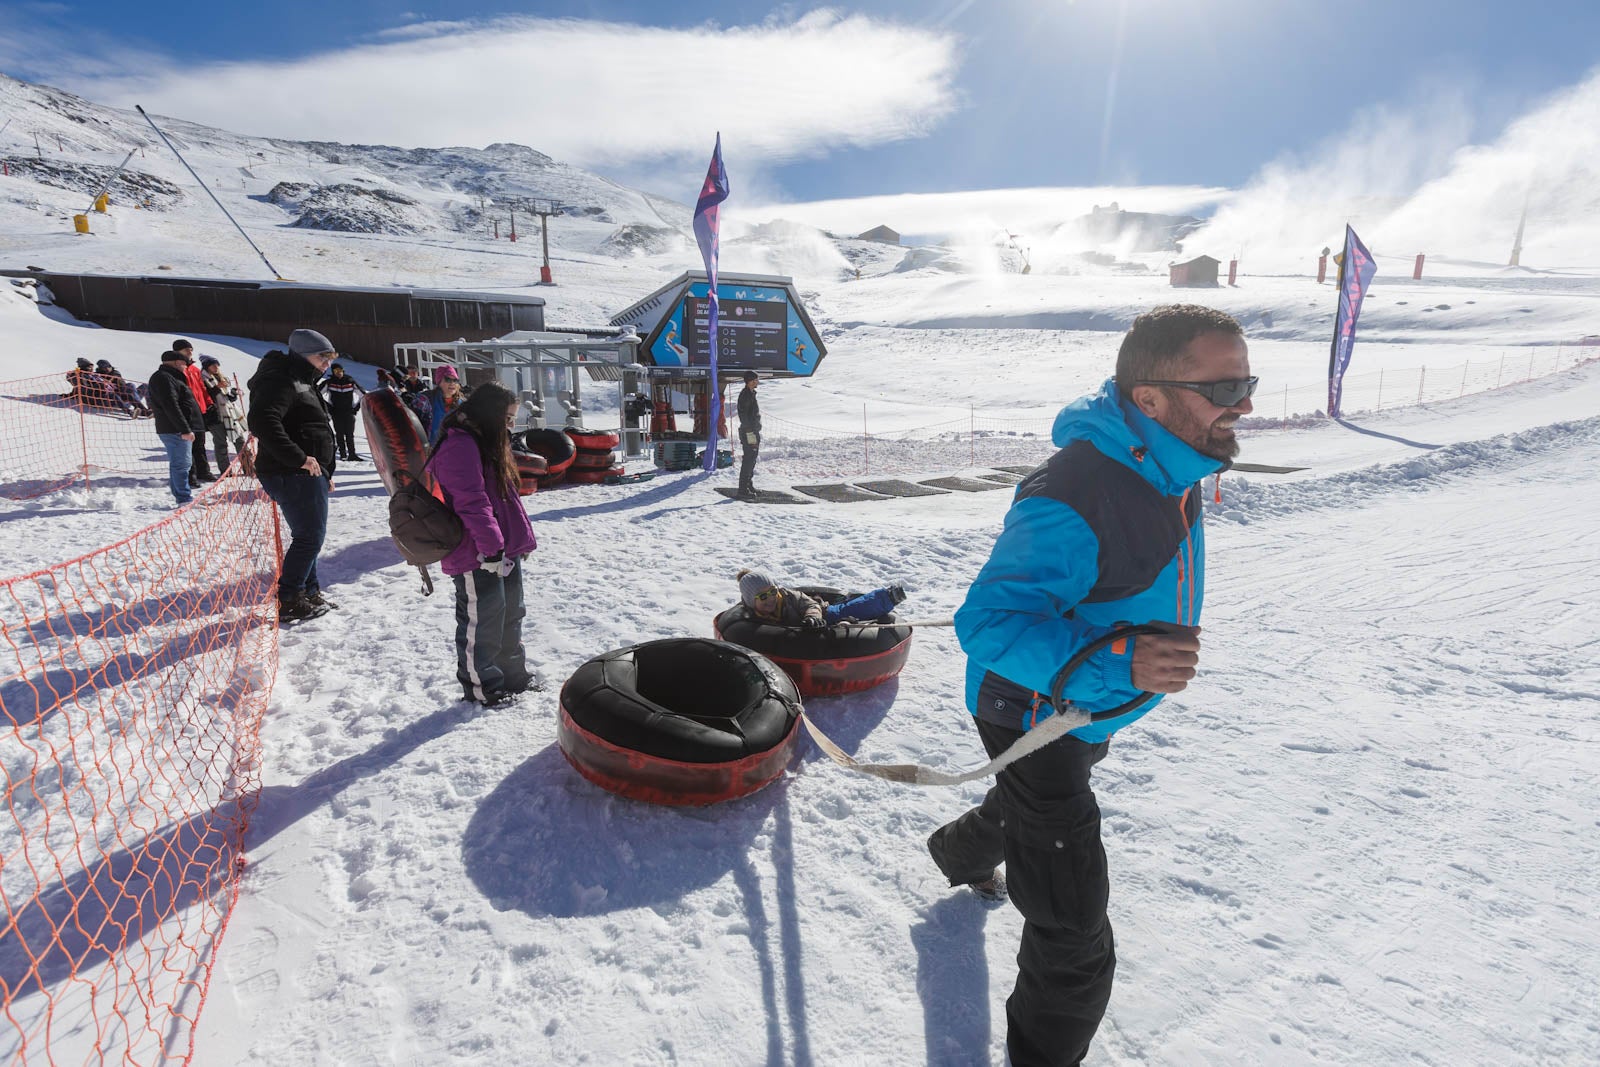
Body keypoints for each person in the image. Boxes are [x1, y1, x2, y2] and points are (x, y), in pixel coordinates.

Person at [926, 305, 1255, 1067]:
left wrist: (1118, 675)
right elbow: (988, 622)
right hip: (1031, 710)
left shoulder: (1174, 459)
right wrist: (1121, 667)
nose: (1243, 403)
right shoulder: (1077, 490)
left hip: (1081, 711)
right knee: (1073, 931)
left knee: (1027, 801)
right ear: (1149, 397)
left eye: (1248, 380)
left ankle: (956, 852)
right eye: (1225, 384)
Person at [430, 381, 538, 706]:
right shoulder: (459, 446)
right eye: (506, 418)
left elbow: (505, 499)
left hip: (502, 547)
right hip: (475, 551)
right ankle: (483, 687)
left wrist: (517, 542)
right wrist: (491, 547)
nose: (511, 426)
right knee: (484, 620)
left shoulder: (487, 440)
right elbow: (471, 502)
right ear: (488, 415)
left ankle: (513, 676)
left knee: (510, 613)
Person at [248, 329, 340, 623]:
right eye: (321, 358)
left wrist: (325, 471)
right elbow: (263, 422)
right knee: (310, 538)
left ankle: (308, 591)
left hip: (307, 473)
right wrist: (300, 459)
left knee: (308, 536)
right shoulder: (281, 379)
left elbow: (312, 426)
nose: (326, 364)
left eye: (329, 359)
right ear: (302, 355)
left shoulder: (304, 380)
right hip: (289, 472)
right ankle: (289, 598)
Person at [735, 569, 905, 628]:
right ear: (751, 601)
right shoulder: (749, 615)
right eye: (763, 596)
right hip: (794, 636)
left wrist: (812, 618)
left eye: (772, 591)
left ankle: (887, 596)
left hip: (822, 615)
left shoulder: (787, 596)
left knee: (848, 611)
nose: (771, 598)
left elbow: (810, 604)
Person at [147, 349, 205, 506]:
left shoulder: (170, 377)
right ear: (177, 363)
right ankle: (184, 498)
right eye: (184, 365)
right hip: (175, 430)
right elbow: (170, 405)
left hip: (177, 428)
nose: (185, 368)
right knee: (181, 464)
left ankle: (182, 495)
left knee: (182, 464)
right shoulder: (164, 378)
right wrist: (184, 429)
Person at [171, 340, 216, 486]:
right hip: (187, 411)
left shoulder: (195, 370)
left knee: (200, 444)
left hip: (200, 410)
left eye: (190, 349)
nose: (190, 352)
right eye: (186, 350)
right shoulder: (178, 369)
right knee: (188, 445)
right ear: (178, 352)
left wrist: (209, 403)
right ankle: (192, 474)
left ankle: (204, 471)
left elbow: (202, 389)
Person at [199, 356, 247, 469]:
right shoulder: (203, 379)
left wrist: (234, 393)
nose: (216, 367)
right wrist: (216, 387)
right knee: (221, 444)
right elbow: (205, 396)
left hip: (229, 414)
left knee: (240, 439)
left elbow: (227, 398)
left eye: (217, 365)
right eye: (213, 365)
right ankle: (225, 470)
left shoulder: (221, 378)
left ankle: (248, 466)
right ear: (207, 367)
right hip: (214, 415)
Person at [320, 362, 366, 461]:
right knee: (339, 434)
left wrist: (356, 408)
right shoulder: (329, 382)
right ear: (333, 372)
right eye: (336, 371)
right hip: (336, 412)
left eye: (340, 370)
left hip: (349, 411)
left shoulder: (349, 381)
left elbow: (363, 395)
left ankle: (352, 454)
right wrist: (328, 407)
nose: (339, 373)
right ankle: (343, 454)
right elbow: (317, 395)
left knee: (349, 434)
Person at [425, 365, 468, 447]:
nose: (452, 383)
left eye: (455, 380)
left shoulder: (463, 405)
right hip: (431, 451)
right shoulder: (426, 400)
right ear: (439, 382)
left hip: (453, 450)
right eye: (448, 379)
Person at [736, 370, 761, 500]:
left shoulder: (751, 394)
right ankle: (742, 489)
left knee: (752, 458)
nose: (758, 382)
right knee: (749, 459)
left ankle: (748, 484)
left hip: (752, 431)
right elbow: (743, 415)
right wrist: (750, 432)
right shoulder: (745, 395)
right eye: (756, 379)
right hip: (749, 432)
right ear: (751, 381)